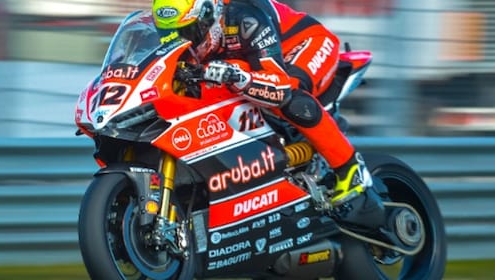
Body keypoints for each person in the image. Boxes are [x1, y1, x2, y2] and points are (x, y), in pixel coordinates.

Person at [151, 0, 385, 228]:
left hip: (304, 45)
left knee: (289, 94)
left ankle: (350, 169)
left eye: (188, 32)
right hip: (250, 63)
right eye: (169, 35)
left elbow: (278, 85)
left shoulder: (246, 18)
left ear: (208, 19)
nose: (183, 43)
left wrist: (239, 77)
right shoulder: (192, 41)